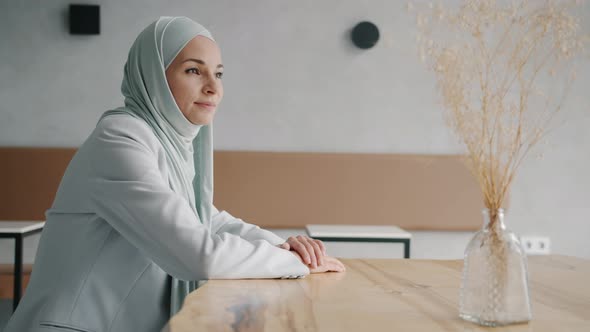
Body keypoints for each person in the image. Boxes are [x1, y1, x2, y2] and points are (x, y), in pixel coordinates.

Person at [4, 16, 345, 332]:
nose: (214, 87)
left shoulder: (171, 142)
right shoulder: (119, 138)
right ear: (154, 75)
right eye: (194, 71)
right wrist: (291, 261)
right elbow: (197, 253)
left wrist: (287, 247)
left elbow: (207, 220)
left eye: (219, 73)